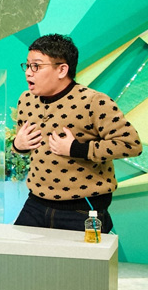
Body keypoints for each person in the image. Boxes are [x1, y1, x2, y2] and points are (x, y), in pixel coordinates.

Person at [13, 34, 142, 232]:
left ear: (62, 70)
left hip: (83, 209)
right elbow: (26, 145)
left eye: (36, 66)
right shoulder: (26, 99)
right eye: (28, 65)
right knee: (14, 251)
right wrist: (18, 145)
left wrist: (76, 149)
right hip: (36, 204)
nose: (29, 73)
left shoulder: (94, 102)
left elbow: (131, 144)